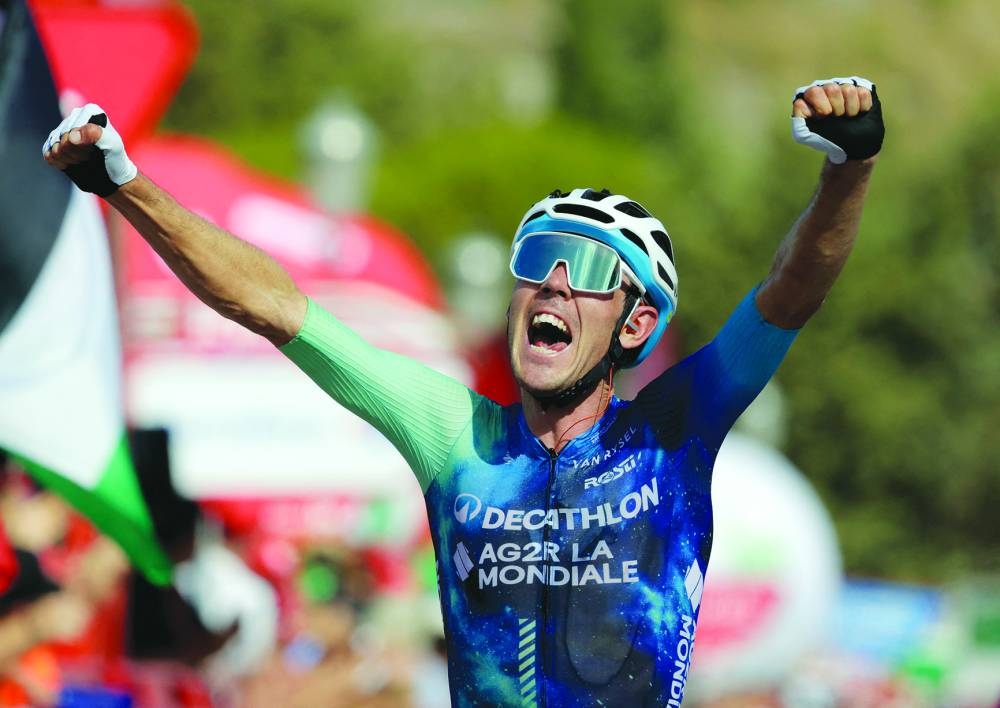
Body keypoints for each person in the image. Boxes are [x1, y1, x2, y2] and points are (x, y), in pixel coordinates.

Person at [42, 76, 883, 706]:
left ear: (635, 327)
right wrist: (126, 186)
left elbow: (790, 288)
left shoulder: (672, 434)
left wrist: (849, 169)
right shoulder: (455, 434)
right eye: (534, 259)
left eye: (586, 270)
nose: (550, 284)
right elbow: (276, 306)